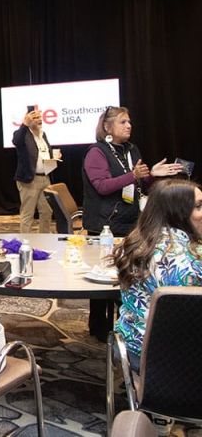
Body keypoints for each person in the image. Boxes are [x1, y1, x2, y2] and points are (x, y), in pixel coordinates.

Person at [82, 106, 182, 340]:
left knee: (126, 274)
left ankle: (124, 322)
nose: (129, 126)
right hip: (105, 224)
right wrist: (133, 175)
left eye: (129, 122)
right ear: (107, 127)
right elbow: (102, 186)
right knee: (102, 276)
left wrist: (152, 175)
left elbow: (137, 184)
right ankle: (98, 326)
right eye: (123, 122)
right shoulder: (96, 152)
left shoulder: (131, 149)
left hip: (130, 220)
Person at [113, 178, 202, 374]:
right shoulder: (186, 262)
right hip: (175, 360)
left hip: (133, 346)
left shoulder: (135, 243)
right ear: (177, 212)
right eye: (198, 206)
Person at [12, 108, 60, 233]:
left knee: (47, 211)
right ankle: (25, 241)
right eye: (35, 118)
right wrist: (24, 125)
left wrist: (53, 157)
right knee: (28, 214)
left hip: (45, 178)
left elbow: (43, 153)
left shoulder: (43, 134)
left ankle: (43, 238)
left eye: (40, 117)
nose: (39, 120)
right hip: (29, 180)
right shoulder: (23, 134)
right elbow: (16, 141)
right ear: (28, 120)